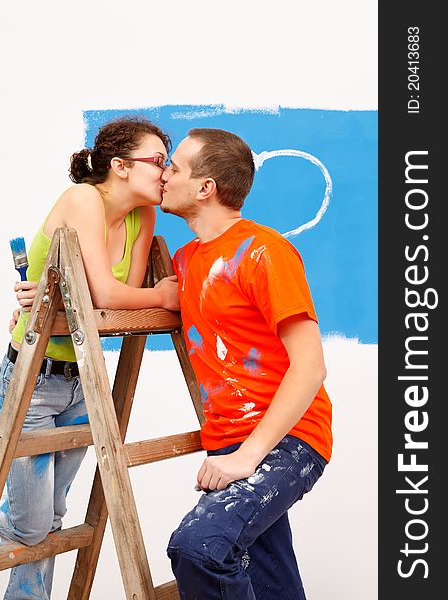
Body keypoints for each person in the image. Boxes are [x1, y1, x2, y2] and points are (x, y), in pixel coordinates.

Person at [0, 115, 179, 600]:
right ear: (119, 165)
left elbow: (119, 301)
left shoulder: (142, 216)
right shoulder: (82, 199)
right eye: (157, 161)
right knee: (31, 527)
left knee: (51, 520)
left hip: (82, 379)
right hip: (33, 379)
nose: (166, 171)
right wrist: (160, 296)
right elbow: (111, 295)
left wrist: (130, 297)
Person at [160, 128, 333, 599]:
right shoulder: (186, 260)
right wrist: (40, 300)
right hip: (230, 444)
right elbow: (123, 299)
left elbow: (310, 366)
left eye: (172, 167)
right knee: (267, 577)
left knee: (200, 548)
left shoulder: (263, 251)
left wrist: (248, 458)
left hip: (287, 440)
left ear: (205, 187)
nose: (163, 175)